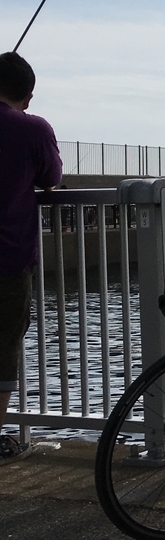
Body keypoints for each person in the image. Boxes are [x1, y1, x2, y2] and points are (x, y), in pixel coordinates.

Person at [0, 52, 61, 464]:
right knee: (3, 346)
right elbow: (52, 178)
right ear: (28, 95)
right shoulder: (32, 128)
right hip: (7, 259)